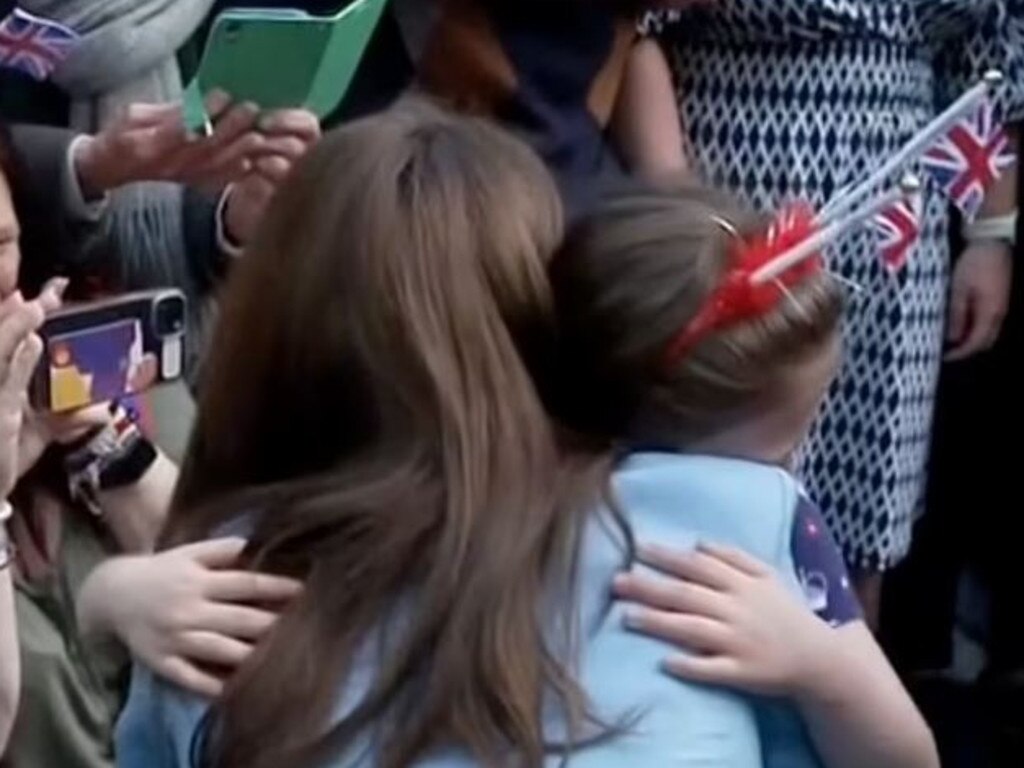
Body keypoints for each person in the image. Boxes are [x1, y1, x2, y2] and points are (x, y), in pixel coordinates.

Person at [117, 99, 787, 768]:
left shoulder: (202, 600)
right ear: (546, 307)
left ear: (274, 323)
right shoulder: (720, 518)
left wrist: (110, 595)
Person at [635, 1, 1024, 624]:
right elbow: (633, 28)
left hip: (901, 202)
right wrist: (675, 198)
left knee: (867, 497)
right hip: (725, 179)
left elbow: (987, 57)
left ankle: (838, 685)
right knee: (721, 461)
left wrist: (991, 231)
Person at [548, 181, 938, 768]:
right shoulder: (781, 521)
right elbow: (909, 760)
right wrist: (820, 664)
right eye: (784, 449)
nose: (791, 469)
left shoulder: (485, 497)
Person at [0, 122, 302, 766]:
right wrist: (104, 607)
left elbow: (252, 590)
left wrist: (104, 442)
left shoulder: (102, 370)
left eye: (0, 241)